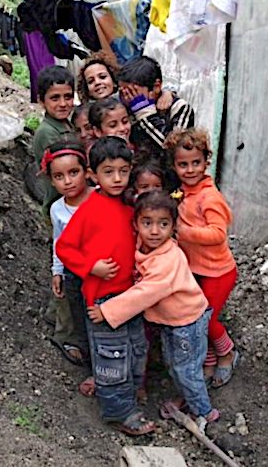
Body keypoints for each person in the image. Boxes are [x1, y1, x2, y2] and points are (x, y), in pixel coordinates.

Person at [88, 190, 219, 424]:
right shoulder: (144, 246)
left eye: (163, 224)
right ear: (136, 224)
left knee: (185, 369)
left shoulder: (168, 260)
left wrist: (107, 311)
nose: (155, 231)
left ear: (173, 227)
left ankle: (204, 412)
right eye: (147, 223)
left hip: (187, 322)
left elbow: (144, 293)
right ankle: (189, 397)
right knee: (175, 363)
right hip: (172, 320)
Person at [56, 137, 154, 436]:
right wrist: (91, 267)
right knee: (112, 355)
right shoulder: (90, 210)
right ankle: (119, 412)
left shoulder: (129, 206)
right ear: (93, 175)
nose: (117, 179)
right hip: (103, 298)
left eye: (123, 171)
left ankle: (130, 392)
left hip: (130, 296)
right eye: (108, 172)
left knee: (135, 347)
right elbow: (64, 247)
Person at [163, 128, 240, 388]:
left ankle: (227, 353)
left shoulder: (209, 197)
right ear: (174, 166)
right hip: (196, 270)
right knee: (196, 319)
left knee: (206, 320)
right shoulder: (183, 192)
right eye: (183, 164)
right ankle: (208, 360)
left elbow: (218, 233)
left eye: (196, 163)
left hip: (218, 271)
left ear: (206, 162)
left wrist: (184, 232)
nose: (190, 170)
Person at [43, 141, 94, 366]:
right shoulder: (57, 209)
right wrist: (57, 271)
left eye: (74, 172)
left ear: (87, 172)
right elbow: (59, 241)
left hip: (103, 268)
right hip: (74, 270)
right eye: (59, 176)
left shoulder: (100, 197)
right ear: (51, 181)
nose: (68, 181)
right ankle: (79, 345)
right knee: (75, 307)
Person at [118, 56, 194, 155]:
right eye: (122, 92)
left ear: (156, 87)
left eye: (132, 92)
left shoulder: (179, 108)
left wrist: (144, 112)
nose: (127, 97)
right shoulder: (122, 107)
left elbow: (174, 149)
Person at [32, 65, 76, 215]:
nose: (63, 104)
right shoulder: (47, 133)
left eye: (68, 97)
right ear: (41, 101)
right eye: (55, 98)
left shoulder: (68, 125)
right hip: (62, 207)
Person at [78, 51, 175, 109]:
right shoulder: (86, 112)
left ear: (114, 81)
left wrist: (167, 93)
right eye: (91, 81)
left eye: (102, 77)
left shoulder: (125, 97)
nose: (97, 82)